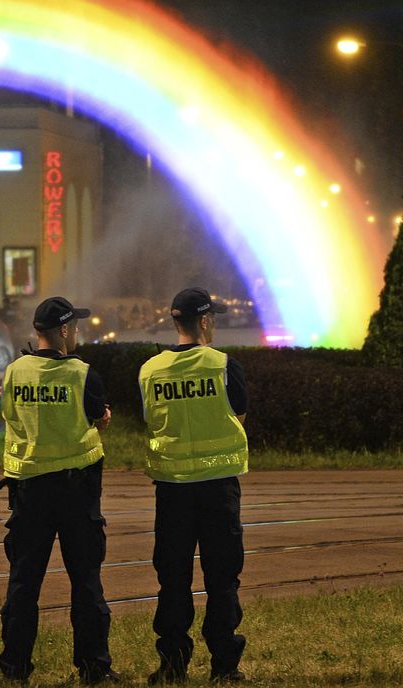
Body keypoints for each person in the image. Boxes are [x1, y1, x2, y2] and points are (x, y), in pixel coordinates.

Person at [0, 296, 119, 684]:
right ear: (64, 330)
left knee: (23, 583)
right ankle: (93, 667)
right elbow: (98, 417)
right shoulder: (82, 374)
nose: (78, 332)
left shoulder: (15, 372)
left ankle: (15, 667)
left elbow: (11, 416)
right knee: (85, 582)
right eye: (75, 326)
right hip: (76, 491)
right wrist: (103, 418)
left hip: (29, 490)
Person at [140, 287, 249, 685]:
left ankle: (172, 666)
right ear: (204, 321)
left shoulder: (151, 370)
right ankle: (224, 667)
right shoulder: (223, 365)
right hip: (218, 489)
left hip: (171, 490)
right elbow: (238, 412)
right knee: (222, 579)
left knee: (172, 579)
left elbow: (151, 418)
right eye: (213, 318)